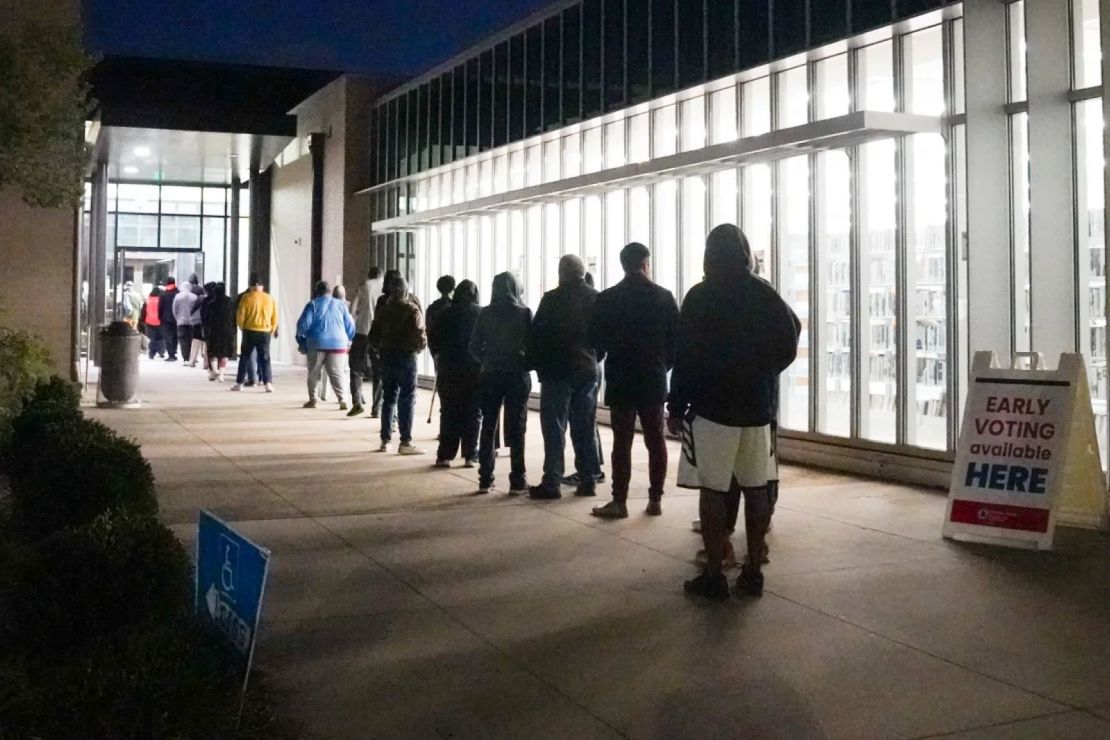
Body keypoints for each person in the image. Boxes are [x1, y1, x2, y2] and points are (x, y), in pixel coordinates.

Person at [669, 225, 800, 601]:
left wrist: (677, 406)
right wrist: (765, 369)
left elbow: (686, 356)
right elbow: (792, 333)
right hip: (757, 407)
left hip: (713, 408)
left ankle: (714, 574)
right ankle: (753, 570)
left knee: (713, 489)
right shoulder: (764, 292)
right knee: (756, 486)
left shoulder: (700, 295)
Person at [589, 243, 680, 520]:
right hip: (652, 378)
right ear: (646, 263)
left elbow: (596, 341)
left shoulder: (607, 299)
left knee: (622, 441)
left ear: (623, 264)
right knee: (656, 440)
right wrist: (662, 364)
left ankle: (619, 501)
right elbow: (676, 342)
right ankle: (655, 499)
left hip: (621, 378)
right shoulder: (664, 297)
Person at [527, 255, 600, 500]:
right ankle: (588, 479)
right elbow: (603, 337)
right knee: (585, 427)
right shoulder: (595, 297)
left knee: (554, 428)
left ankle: (552, 482)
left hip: (557, 372)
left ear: (562, 273)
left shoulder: (551, 299)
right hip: (587, 370)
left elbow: (536, 336)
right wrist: (593, 359)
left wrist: (536, 365)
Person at [469, 272, 533, 495]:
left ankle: (485, 478)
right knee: (517, 427)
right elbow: (533, 345)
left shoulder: (485, 313)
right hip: (516, 375)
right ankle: (517, 479)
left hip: (490, 374)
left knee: (488, 425)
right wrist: (525, 362)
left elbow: (474, 346)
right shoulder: (524, 313)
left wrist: (486, 360)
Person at [368, 276, 426, 454]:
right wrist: (417, 349)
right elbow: (420, 335)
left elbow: (373, 336)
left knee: (388, 397)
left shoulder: (383, 311)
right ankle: (405, 441)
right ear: (405, 290)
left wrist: (380, 350)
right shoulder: (411, 309)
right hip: (406, 357)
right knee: (407, 397)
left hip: (386, 357)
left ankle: (385, 440)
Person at [428, 279, 481, 468]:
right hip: (474, 371)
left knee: (449, 412)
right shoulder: (480, 313)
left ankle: (445, 455)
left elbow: (433, 340)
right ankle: (470, 455)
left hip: (449, 370)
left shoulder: (446, 314)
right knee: (473, 412)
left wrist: (438, 358)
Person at [564, 271, 606, 486]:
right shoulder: (596, 301)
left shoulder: (580, 304)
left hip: (583, 367)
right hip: (592, 366)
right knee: (589, 421)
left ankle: (590, 470)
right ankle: (594, 468)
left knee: (582, 423)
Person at [297, 280, 356, 410]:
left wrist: (301, 340)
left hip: (316, 343)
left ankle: (313, 400)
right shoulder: (341, 305)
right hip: (338, 344)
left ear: (316, 292)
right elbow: (350, 325)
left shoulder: (312, 304)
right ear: (330, 292)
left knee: (314, 373)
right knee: (337, 373)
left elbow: (303, 324)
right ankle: (343, 400)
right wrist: (349, 339)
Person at [231, 273, 278, 392]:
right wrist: (271, 330)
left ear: (251, 286)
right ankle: (268, 384)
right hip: (265, 332)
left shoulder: (246, 297)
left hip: (249, 330)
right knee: (265, 358)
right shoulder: (270, 298)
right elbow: (275, 317)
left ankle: (239, 383)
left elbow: (240, 316)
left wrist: (243, 328)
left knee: (245, 357)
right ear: (262, 287)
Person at [348, 267, 384, 417]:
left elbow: (352, 310)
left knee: (356, 367)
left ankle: (357, 403)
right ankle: (377, 408)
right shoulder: (385, 287)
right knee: (378, 371)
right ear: (381, 276)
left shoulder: (363, 286)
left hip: (362, 331)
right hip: (380, 335)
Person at [202, 282, 236, 382]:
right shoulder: (230, 302)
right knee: (224, 353)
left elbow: (206, 318)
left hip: (213, 331)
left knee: (213, 352)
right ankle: (221, 374)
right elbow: (234, 317)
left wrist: (206, 330)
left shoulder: (211, 303)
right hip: (226, 331)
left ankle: (214, 371)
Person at [173, 279, 201, 366]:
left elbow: (174, 309)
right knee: (191, 340)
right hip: (192, 322)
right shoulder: (194, 297)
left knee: (182, 340)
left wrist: (177, 318)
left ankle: (185, 357)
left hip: (181, 322)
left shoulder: (177, 296)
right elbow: (197, 310)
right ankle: (191, 357)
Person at [158, 277, 179, 361]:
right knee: (175, 336)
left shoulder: (163, 295)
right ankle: (174, 352)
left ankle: (171, 354)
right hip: (176, 318)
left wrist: (160, 317)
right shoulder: (178, 293)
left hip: (166, 318)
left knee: (168, 337)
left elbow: (160, 308)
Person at [140, 286, 165, 359]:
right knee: (160, 337)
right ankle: (161, 352)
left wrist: (143, 320)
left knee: (151, 338)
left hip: (149, 321)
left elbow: (143, 311)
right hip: (160, 321)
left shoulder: (147, 300)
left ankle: (151, 353)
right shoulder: (161, 300)